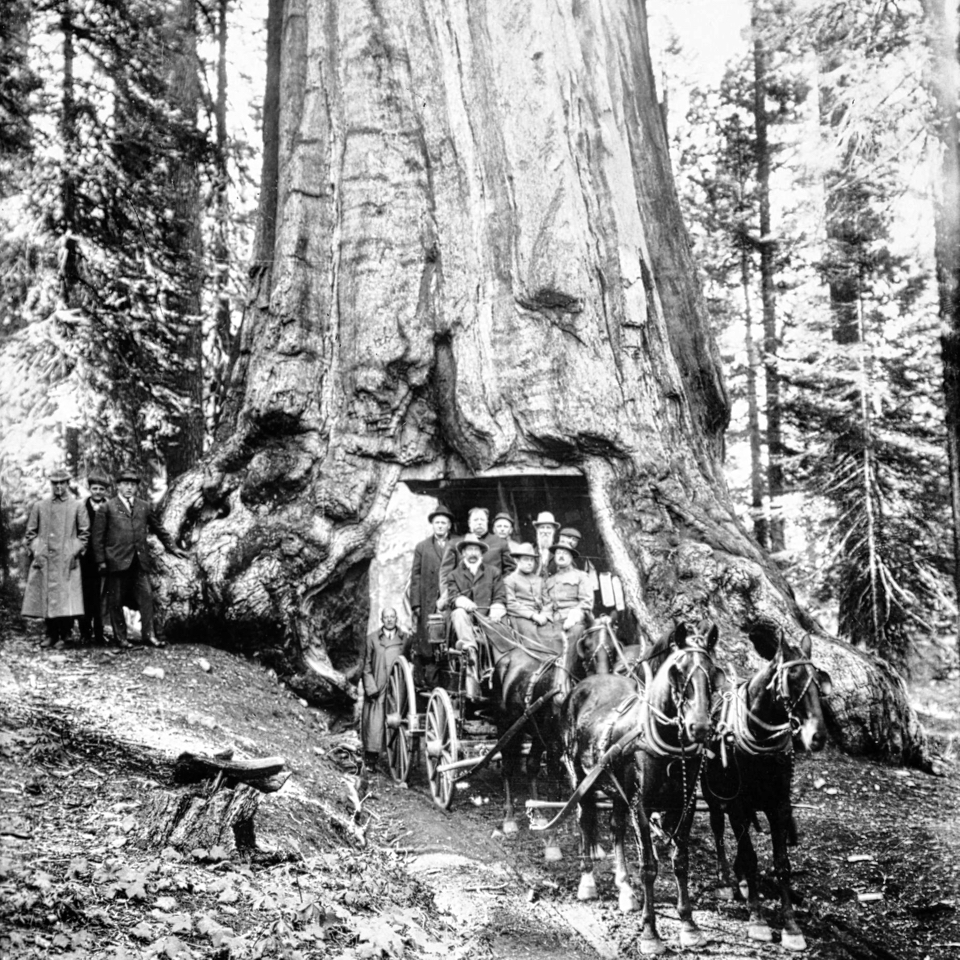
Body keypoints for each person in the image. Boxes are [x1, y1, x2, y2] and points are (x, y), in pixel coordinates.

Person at [92, 467, 189, 648]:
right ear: (118, 486)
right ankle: (121, 638)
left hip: (139, 561)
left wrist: (173, 547)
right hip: (116, 561)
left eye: (132, 485)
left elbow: (159, 529)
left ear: (137, 487)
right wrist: (101, 561)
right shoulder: (107, 508)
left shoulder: (144, 506)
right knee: (116, 601)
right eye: (125, 484)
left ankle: (149, 635)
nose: (129, 488)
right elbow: (97, 539)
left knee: (146, 597)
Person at [21, 469, 90, 648]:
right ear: (51, 484)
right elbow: (30, 533)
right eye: (55, 483)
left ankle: (66, 635)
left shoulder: (77, 506)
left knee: (65, 597)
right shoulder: (40, 506)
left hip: (67, 559)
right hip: (46, 559)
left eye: (62, 483)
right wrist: (38, 550)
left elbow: (84, 534)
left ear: (68, 484)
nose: (58, 487)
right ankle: (51, 633)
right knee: (47, 596)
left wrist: (72, 551)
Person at [446, 534, 507, 698]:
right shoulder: (454, 575)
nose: (473, 553)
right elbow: (451, 598)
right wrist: (460, 600)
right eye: (469, 549)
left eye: (476, 549)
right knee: (458, 612)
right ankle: (470, 652)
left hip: (487, 621)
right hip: (461, 627)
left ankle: (497, 676)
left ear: (481, 553)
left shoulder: (493, 572)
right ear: (463, 552)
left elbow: (500, 595)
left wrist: (497, 607)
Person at [360, 607, 412, 773]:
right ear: (382, 620)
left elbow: (410, 661)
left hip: (398, 685)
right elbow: (366, 665)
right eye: (386, 617)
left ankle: (396, 762)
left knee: (397, 721)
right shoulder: (372, 639)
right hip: (378, 684)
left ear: (396, 618)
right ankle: (371, 761)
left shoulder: (405, 638)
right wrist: (371, 687)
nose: (389, 620)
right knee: (374, 723)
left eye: (392, 617)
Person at [409, 504, 454, 688]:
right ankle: (429, 680)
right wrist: (416, 605)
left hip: (448, 600)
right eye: (437, 523)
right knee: (428, 642)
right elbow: (416, 576)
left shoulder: (456, 545)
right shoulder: (422, 547)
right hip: (428, 601)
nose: (440, 526)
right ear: (433, 525)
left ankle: (448, 679)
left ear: (449, 526)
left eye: (444, 523)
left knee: (448, 638)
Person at [439, 506, 515, 596]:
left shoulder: (500, 543)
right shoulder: (455, 544)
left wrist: (499, 587)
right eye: (475, 520)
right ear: (469, 523)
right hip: (462, 595)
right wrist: (447, 596)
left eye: (482, 520)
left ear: (487, 522)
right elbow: (445, 573)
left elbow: (511, 570)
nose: (479, 523)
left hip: (492, 595)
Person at [78, 468, 111, 645]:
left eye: (101, 489)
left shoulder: (111, 507)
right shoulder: (81, 507)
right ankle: (85, 632)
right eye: (95, 488)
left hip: (104, 558)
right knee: (85, 594)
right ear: (90, 489)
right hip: (85, 559)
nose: (98, 492)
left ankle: (99, 632)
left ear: (106, 491)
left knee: (102, 595)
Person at [543, 543, 593, 648]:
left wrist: (573, 617)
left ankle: (568, 664)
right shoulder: (549, 581)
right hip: (555, 620)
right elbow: (547, 604)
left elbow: (586, 602)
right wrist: (546, 619)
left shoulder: (581, 576)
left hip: (575, 619)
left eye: (565, 553)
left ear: (571, 557)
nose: (561, 556)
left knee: (575, 633)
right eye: (558, 553)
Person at [503, 542, 548, 645]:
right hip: (522, 617)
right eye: (526, 559)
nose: (529, 563)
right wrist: (532, 615)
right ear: (517, 560)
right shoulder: (510, 580)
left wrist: (545, 615)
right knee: (532, 636)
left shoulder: (539, 580)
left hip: (541, 616)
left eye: (532, 560)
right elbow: (511, 604)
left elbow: (547, 602)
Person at [532, 511, 560, 576]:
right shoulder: (530, 551)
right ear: (537, 530)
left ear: (553, 530)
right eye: (542, 527)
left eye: (548, 528)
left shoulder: (560, 551)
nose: (545, 531)